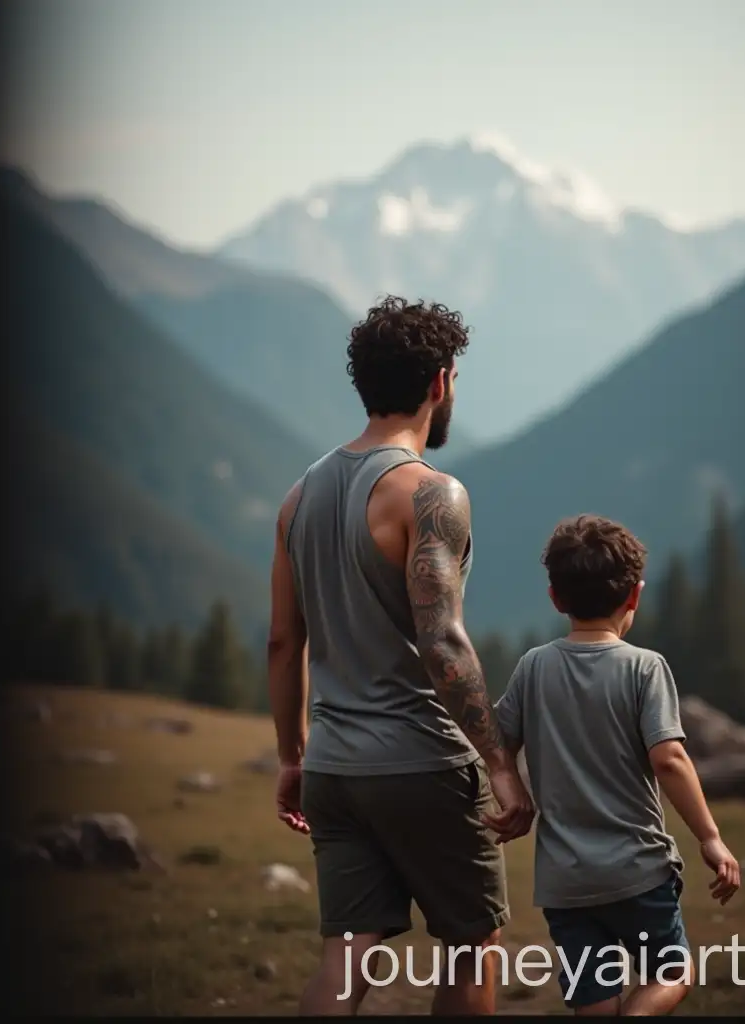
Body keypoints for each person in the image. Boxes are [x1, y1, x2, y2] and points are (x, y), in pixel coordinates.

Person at [267, 296, 535, 1016]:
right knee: (472, 946)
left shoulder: (299, 498)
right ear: (441, 383)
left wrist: (293, 757)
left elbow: (282, 642)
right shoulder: (430, 494)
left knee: (347, 960)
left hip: (334, 769)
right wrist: (502, 765)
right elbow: (441, 638)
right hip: (424, 764)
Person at [494, 514, 741, 1016]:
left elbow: (494, 739)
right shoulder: (644, 668)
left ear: (555, 599)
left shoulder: (533, 667)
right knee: (672, 973)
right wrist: (710, 836)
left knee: (594, 1001)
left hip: (565, 883)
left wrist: (509, 789)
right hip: (637, 872)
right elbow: (669, 758)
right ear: (635, 596)